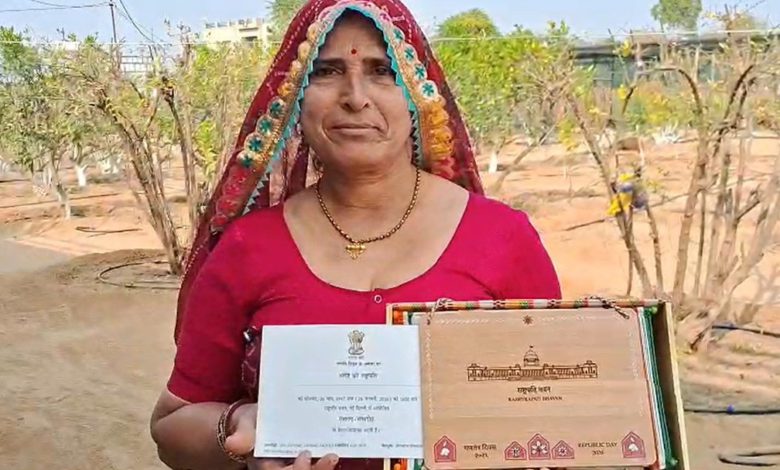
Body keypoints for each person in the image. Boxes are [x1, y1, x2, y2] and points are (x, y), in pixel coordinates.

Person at [150, 1, 562, 469]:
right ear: (295, 98)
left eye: (381, 71)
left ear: (417, 95)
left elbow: (558, 406)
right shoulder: (248, 247)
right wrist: (237, 429)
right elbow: (170, 426)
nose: (356, 96)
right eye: (327, 71)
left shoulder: (503, 238)